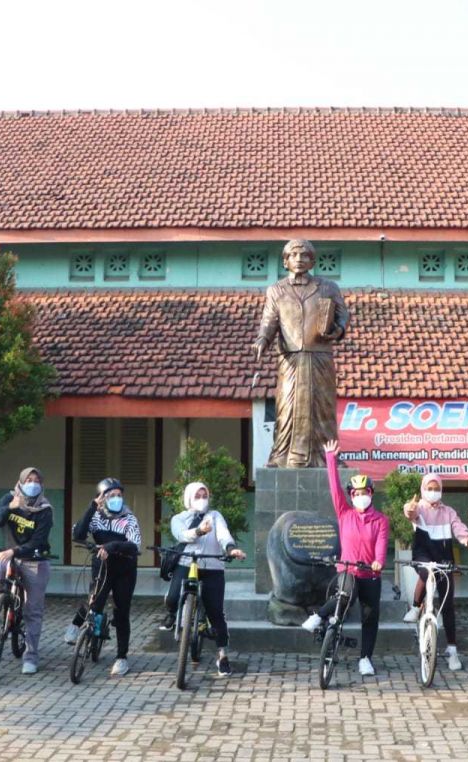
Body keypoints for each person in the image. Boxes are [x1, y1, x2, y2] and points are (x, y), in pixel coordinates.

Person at [252, 239, 350, 468]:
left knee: (323, 407)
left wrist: (337, 330)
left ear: (312, 261)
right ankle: (281, 455)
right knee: (286, 407)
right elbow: (269, 321)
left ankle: (329, 457)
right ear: (285, 261)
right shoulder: (276, 290)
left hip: (320, 357)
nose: (299, 259)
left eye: (304, 255)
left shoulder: (328, 287)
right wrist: (262, 340)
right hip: (291, 359)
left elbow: (343, 316)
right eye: (294, 255)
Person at [301, 440, 389, 677]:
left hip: (371, 574)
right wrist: (330, 458)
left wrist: (378, 560)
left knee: (370, 617)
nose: (360, 497)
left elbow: (381, 543)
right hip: (348, 570)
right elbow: (334, 487)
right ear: (351, 496)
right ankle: (319, 616)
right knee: (345, 596)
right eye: (356, 493)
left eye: (365, 493)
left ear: (371, 494)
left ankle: (365, 659)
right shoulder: (345, 513)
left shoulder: (380, 520)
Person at [162, 481, 246, 677]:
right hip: (186, 563)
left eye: (204, 495)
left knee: (216, 612)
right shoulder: (179, 518)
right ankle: (171, 615)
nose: (201, 500)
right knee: (173, 598)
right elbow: (181, 535)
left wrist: (230, 549)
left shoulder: (215, 516)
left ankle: (222, 655)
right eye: (197, 496)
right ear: (189, 499)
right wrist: (199, 531)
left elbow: (223, 535)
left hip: (212, 566)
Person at [0, 466, 54, 675]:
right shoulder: (9, 498)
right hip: (9, 556)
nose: (32, 484)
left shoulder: (45, 509)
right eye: (28, 480)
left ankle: (30, 657)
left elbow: (39, 540)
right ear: (21, 482)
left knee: (33, 611)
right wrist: (9, 507)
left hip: (33, 560)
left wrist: (15, 550)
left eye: (36, 480)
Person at [63, 477, 142, 677]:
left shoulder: (129, 518)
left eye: (119, 495)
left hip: (124, 569)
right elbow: (78, 534)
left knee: (121, 611)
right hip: (102, 566)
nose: (116, 498)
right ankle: (76, 624)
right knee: (94, 601)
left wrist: (111, 546)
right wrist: (91, 508)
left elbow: (134, 546)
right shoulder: (96, 516)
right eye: (111, 495)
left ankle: (121, 658)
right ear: (102, 497)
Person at [401, 472, 468, 671]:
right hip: (423, 555)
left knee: (448, 605)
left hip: (444, 559)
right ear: (423, 489)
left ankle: (452, 650)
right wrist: (408, 509)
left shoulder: (448, 512)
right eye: (429, 488)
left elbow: (458, 528)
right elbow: (410, 513)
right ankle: (417, 606)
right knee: (427, 572)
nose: (433, 492)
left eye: (436, 489)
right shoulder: (418, 508)